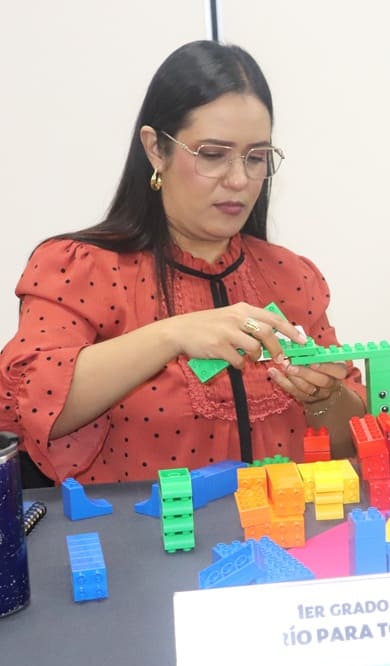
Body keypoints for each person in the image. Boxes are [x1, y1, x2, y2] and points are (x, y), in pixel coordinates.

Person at [0, 41, 365, 485]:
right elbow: (32, 406)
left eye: (256, 158)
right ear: (156, 149)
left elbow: (351, 443)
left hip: (282, 539)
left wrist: (324, 396)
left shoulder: (290, 277)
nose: (239, 180)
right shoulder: (80, 269)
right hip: (135, 546)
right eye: (212, 155)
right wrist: (171, 335)